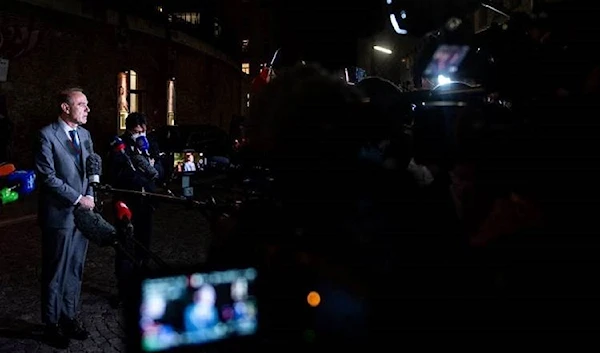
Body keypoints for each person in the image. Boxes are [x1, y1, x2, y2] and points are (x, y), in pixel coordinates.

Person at [34, 87, 94, 349]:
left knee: (75, 270)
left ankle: (69, 317)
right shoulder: (46, 135)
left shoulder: (86, 134)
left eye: (87, 104)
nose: (87, 109)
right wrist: (78, 198)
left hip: (83, 215)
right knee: (55, 271)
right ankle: (51, 324)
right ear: (65, 108)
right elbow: (47, 177)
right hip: (59, 216)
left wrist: (91, 195)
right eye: (81, 104)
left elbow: (92, 169)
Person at [108, 112, 160, 304]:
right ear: (129, 130)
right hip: (128, 202)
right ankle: (123, 291)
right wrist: (141, 176)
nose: (140, 134)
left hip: (147, 202)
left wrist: (154, 170)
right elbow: (117, 173)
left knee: (144, 245)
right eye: (136, 131)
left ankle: (142, 287)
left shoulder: (150, 143)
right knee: (124, 247)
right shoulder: (118, 146)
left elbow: (161, 167)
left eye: (143, 130)